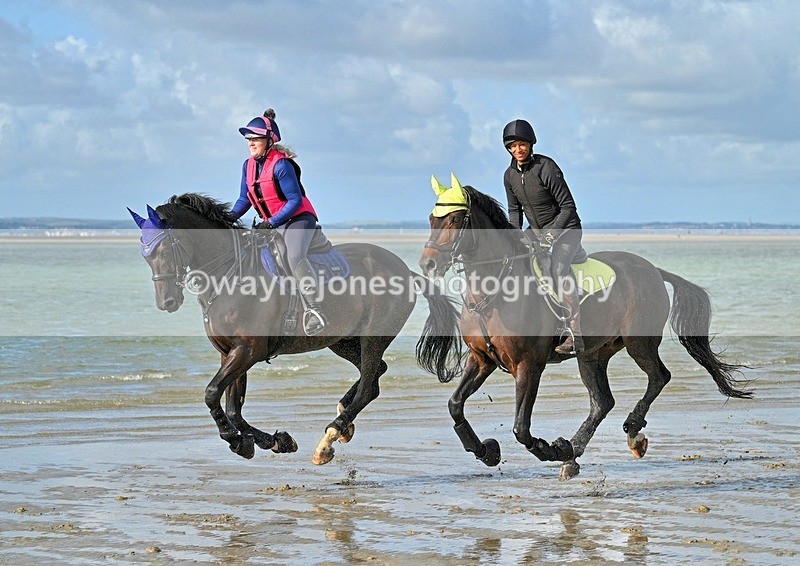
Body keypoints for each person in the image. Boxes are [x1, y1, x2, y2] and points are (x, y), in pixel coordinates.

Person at [229, 109, 326, 336]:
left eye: (255, 139)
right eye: (248, 139)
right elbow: (244, 199)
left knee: (293, 256)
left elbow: (294, 200)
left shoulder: (282, 165)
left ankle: (315, 310)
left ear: (269, 140)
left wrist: (271, 222)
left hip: (298, 219)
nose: (250, 143)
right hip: (271, 223)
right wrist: (226, 218)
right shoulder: (248, 165)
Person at [502, 119, 585, 354]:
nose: (518, 150)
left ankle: (574, 335)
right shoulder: (509, 176)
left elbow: (568, 207)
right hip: (536, 232)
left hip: (567, 229)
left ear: (531, 144)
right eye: (513, 146)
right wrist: (512, 238)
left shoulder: (546, 167)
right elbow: (514, 211)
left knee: (557, 272)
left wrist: (551, 235)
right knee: (516, 265)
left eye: (522, 145)